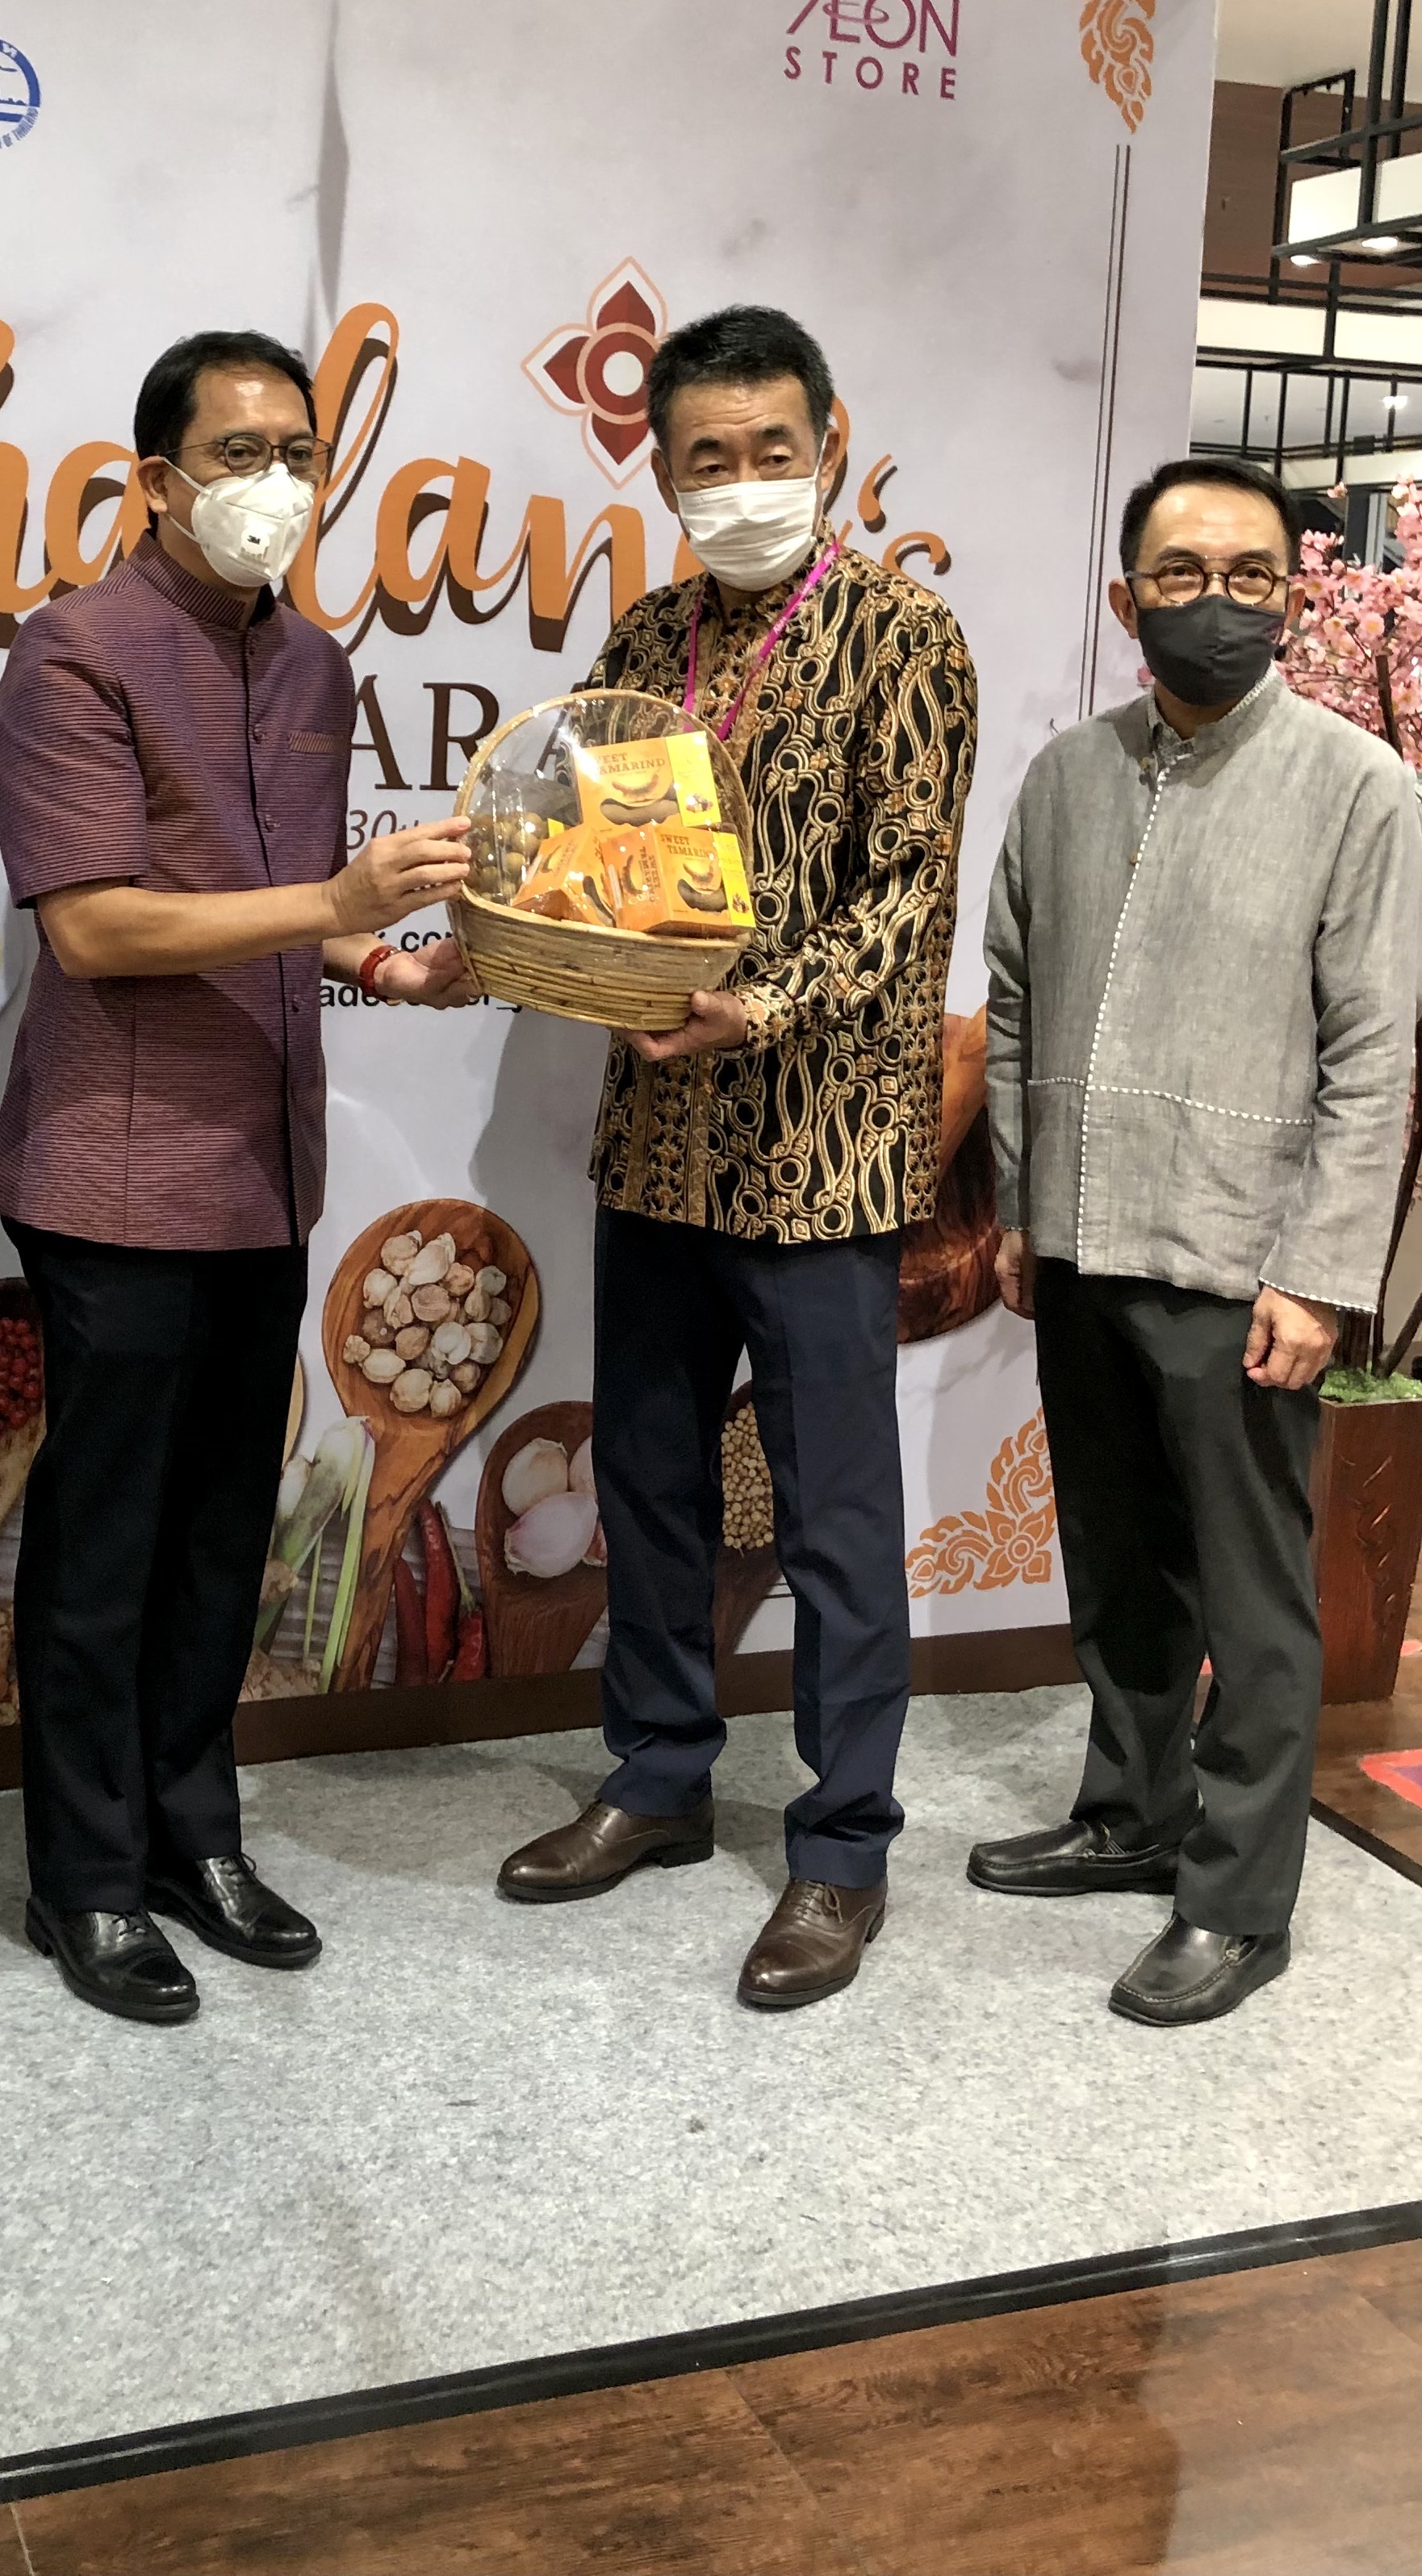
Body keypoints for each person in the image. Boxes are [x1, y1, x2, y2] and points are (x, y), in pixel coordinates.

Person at [0, 328, 475, 2027]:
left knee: (217, 1540)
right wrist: (338, 908)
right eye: (240, 452)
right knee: (105, 1542)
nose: (276, 484)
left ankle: (196, 1837)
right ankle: (85, 1875)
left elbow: (275, 916)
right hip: (117, 1172)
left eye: (299, 454)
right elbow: (98, 926)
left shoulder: (317, 666)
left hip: (266, 1168)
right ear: (157, 480)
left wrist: (383, 965)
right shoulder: (73, 655)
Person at [496, 305, 979, 2010]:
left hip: (821, 1147)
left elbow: (908, 892)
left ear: (830, 445)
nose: (747, 480)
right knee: (648, 1480)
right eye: (711, 457)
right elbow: (609, 876)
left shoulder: (906, 636)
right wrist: (541, 949)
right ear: (663, 473)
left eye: (775, 449)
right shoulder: (645, 637)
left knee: (835, 1514)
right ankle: (658, 1778)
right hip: (658, 1141)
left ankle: (842, 1850)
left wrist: (759, 1005)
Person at [972, 455, 1422, 2025]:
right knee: (1115, 1561)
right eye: (1183, 575)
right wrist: (1024, 1207)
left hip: (1244, 1262)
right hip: (1082, 1237)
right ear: (1128, 600)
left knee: (1252, 1594)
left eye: (1251, 576)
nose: (1217, 602)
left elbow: (1373, 1052)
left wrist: (1321, 1273)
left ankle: (1237, 1899)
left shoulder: (1354, 785)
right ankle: (1130, 1813)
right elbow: (1016, 1003)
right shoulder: (1067, 778)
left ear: (1291, 597)